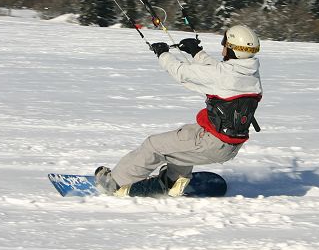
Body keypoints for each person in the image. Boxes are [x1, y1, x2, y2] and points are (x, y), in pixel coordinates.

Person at [95, 24, 263, 196]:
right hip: (229, 144)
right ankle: (174, 180)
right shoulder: (251, 75)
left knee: (153, 145)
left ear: (234, 49)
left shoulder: (222, 75)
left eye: (224, 44)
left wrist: (163, 54)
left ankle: (113, 183)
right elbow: (217, 71)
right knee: (184, 135)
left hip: (212, 143)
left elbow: (181, 72)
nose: (222, 48)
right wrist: (196, 52)